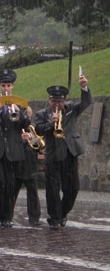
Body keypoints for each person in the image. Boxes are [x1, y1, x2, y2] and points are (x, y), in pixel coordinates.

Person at [35, 79, 91, 229]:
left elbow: (86, 103)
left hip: (70, 153)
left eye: (59, 101)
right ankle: (54, 218)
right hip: (53, 155)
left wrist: (84, 87)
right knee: (52, 189)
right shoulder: (42, 114)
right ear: (49, 101)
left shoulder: (71, 109)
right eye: (54, 101)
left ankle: (62, 214)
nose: (57, 105)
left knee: (73, 188)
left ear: (64, 101)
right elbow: (38, 130)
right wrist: (51, 124)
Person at [0, 69, 30, 228]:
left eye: (8, 85)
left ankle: (7, 217)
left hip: (13, 150)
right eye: (3, 85)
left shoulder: (20, 103)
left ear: (13, 86)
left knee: (11, 184)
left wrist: (19, 112)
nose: (6, 88)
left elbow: (26, 126)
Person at [15, 106, 41, 226]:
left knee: (33, 194)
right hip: (18, 164)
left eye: (29, 117)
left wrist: (34, 139)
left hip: (31, 164)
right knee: (12, 192)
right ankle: (7, 216)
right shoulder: (16, 129)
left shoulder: (33, 128)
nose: (27, 119)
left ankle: (34, 218)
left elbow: (38, 146)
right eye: (26, 116)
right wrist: (21, 139)